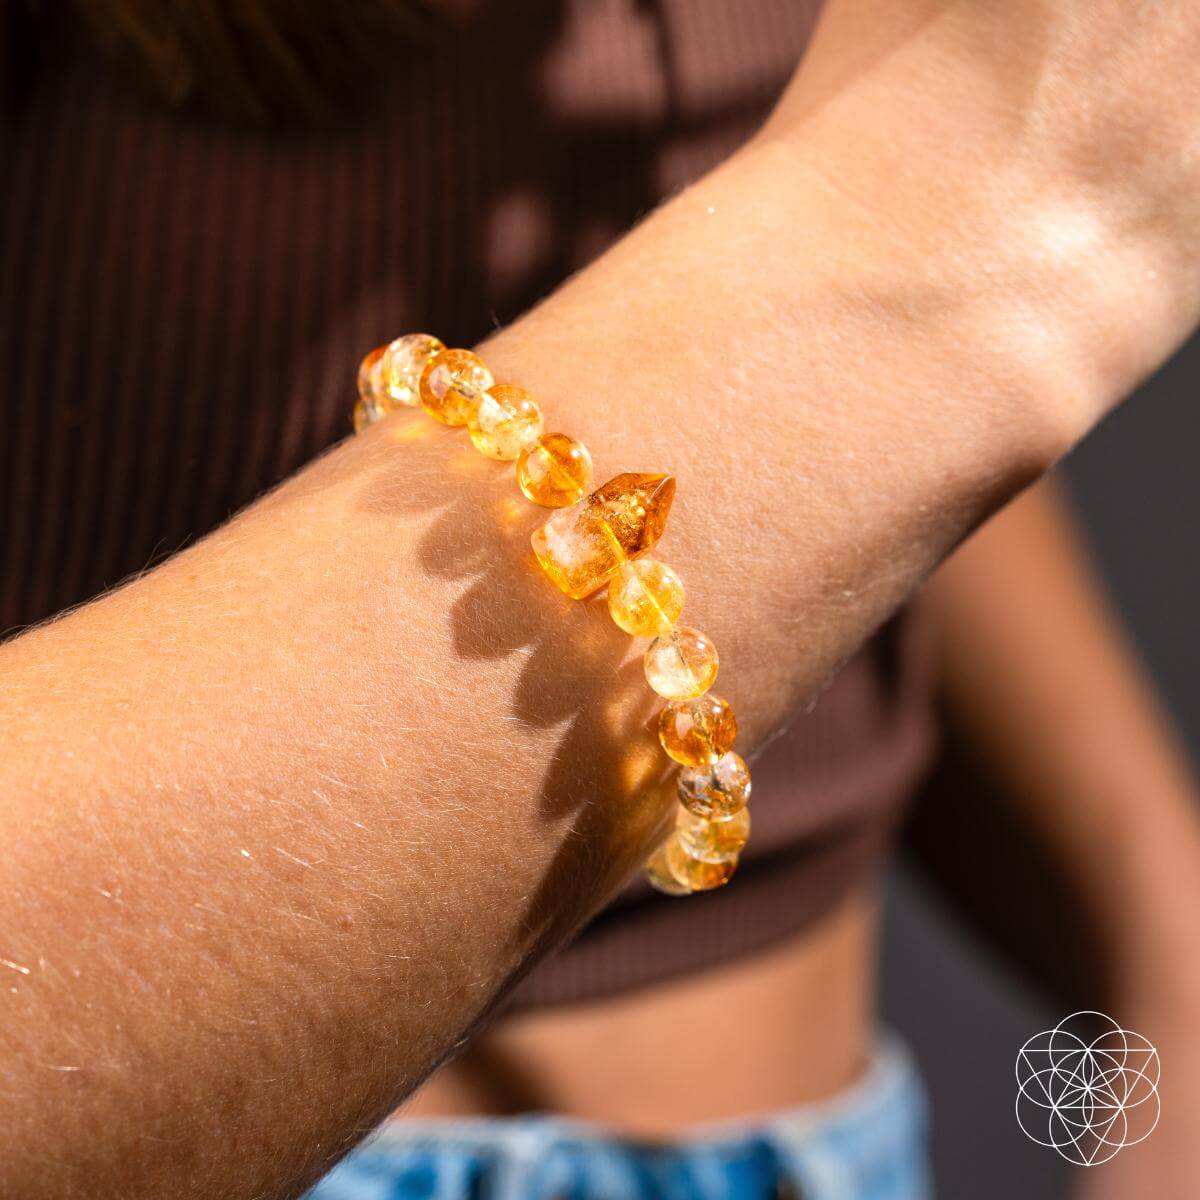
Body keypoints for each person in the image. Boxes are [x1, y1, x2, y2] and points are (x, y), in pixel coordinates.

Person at [1, 2, 1198, 1197]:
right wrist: (933, 229)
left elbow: (822, 348)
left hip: (819, 1147)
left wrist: (1160, 932)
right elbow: (891, 251)